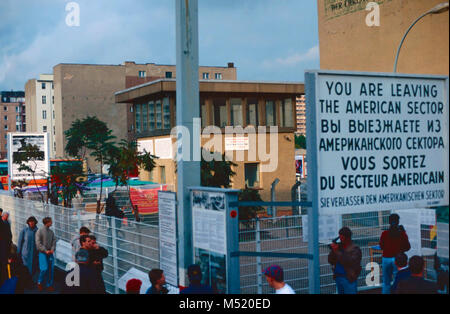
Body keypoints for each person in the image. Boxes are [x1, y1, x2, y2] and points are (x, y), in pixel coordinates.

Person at [379, 213, 411, 294]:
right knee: (399, 281)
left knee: (386, 282)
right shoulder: (402, 233)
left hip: (386, 258)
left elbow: (381, 246)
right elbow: (408, 247)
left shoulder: (384, 233)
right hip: (398, 259)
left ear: (389, 222)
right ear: (398, 222)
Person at [328, 227, 362, 294]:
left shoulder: (355, 249)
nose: (341, 239)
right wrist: (333, 251)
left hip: (349, 278)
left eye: (342, 238)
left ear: (348, 238)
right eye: (340, 237)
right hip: (338, 277)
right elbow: (330, 260)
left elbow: (349, 262)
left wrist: (337, 251)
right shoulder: (339, 247)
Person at [35, 217, 56, 292]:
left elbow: (54, 241)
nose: (52, 223)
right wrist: (45, 250)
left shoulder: (51, 232)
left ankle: (49, 284)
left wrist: (52, 249)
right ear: (47, 222)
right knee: (44, 268)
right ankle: (39, 282)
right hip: (42, 253)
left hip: (50, 253)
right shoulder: (39, 231)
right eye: (51, 221)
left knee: (50, 269)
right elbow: (38, 243)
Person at [0, 211, 12, 286]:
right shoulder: (3, 223)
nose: (7, 217)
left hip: (5, 245)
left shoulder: (6, 223)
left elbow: (9, 234)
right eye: (6, 216)